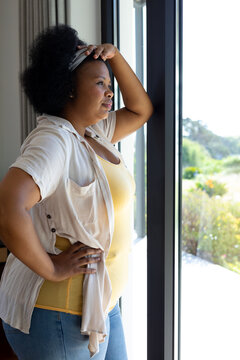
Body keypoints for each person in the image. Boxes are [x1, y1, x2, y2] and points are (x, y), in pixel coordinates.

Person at [0, 24, 153, 360]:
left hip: (102, 304)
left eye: (110, 85)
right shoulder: (53, 140)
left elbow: (142, 110)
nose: (110, 93)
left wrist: (116, 56)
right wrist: (53, 268)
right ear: (69, 89)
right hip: (60, 314)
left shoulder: (94, 132)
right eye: (100, 84)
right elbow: (10, 205)